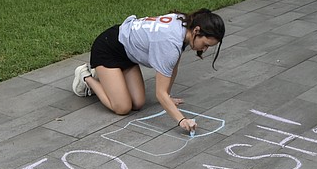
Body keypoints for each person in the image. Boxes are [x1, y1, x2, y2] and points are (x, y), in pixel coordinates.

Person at [73, 9, 225, 134]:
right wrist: (181, 120)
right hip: (108, 48)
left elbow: (172, 68)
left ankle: (108, 78)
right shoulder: (169, 44)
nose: (204, 49)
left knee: (138, 103)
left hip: (128, 54)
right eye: (205, 44)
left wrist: (168, 96)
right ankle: (86, 76)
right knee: (122, 107)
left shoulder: (184, 24)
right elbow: (160, 94)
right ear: (197, 30)